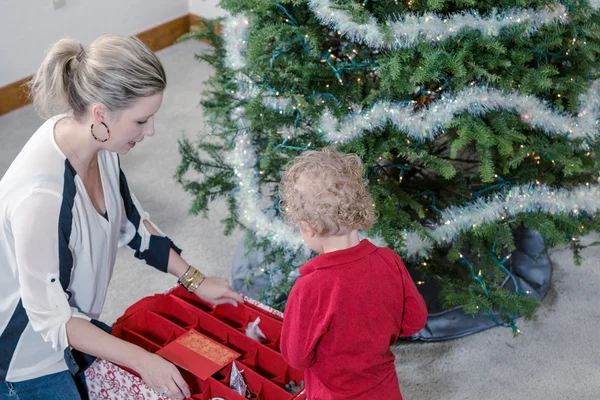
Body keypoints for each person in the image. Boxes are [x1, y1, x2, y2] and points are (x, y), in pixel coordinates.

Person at [0, 35, 243, 400]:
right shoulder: (41, 200)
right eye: (142, 120)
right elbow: (54, 320)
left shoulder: (100, 143)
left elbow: (132, 223)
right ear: (101, 114)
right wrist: (144, 361)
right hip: (27, 356)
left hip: (71, 323)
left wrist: (195, 279)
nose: (151, 131)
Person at [279, 148, 428, 399]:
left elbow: (296, 356)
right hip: (384, 389)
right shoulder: (389, 260)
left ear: (309, 227)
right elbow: (414, 322)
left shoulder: (309, 288)